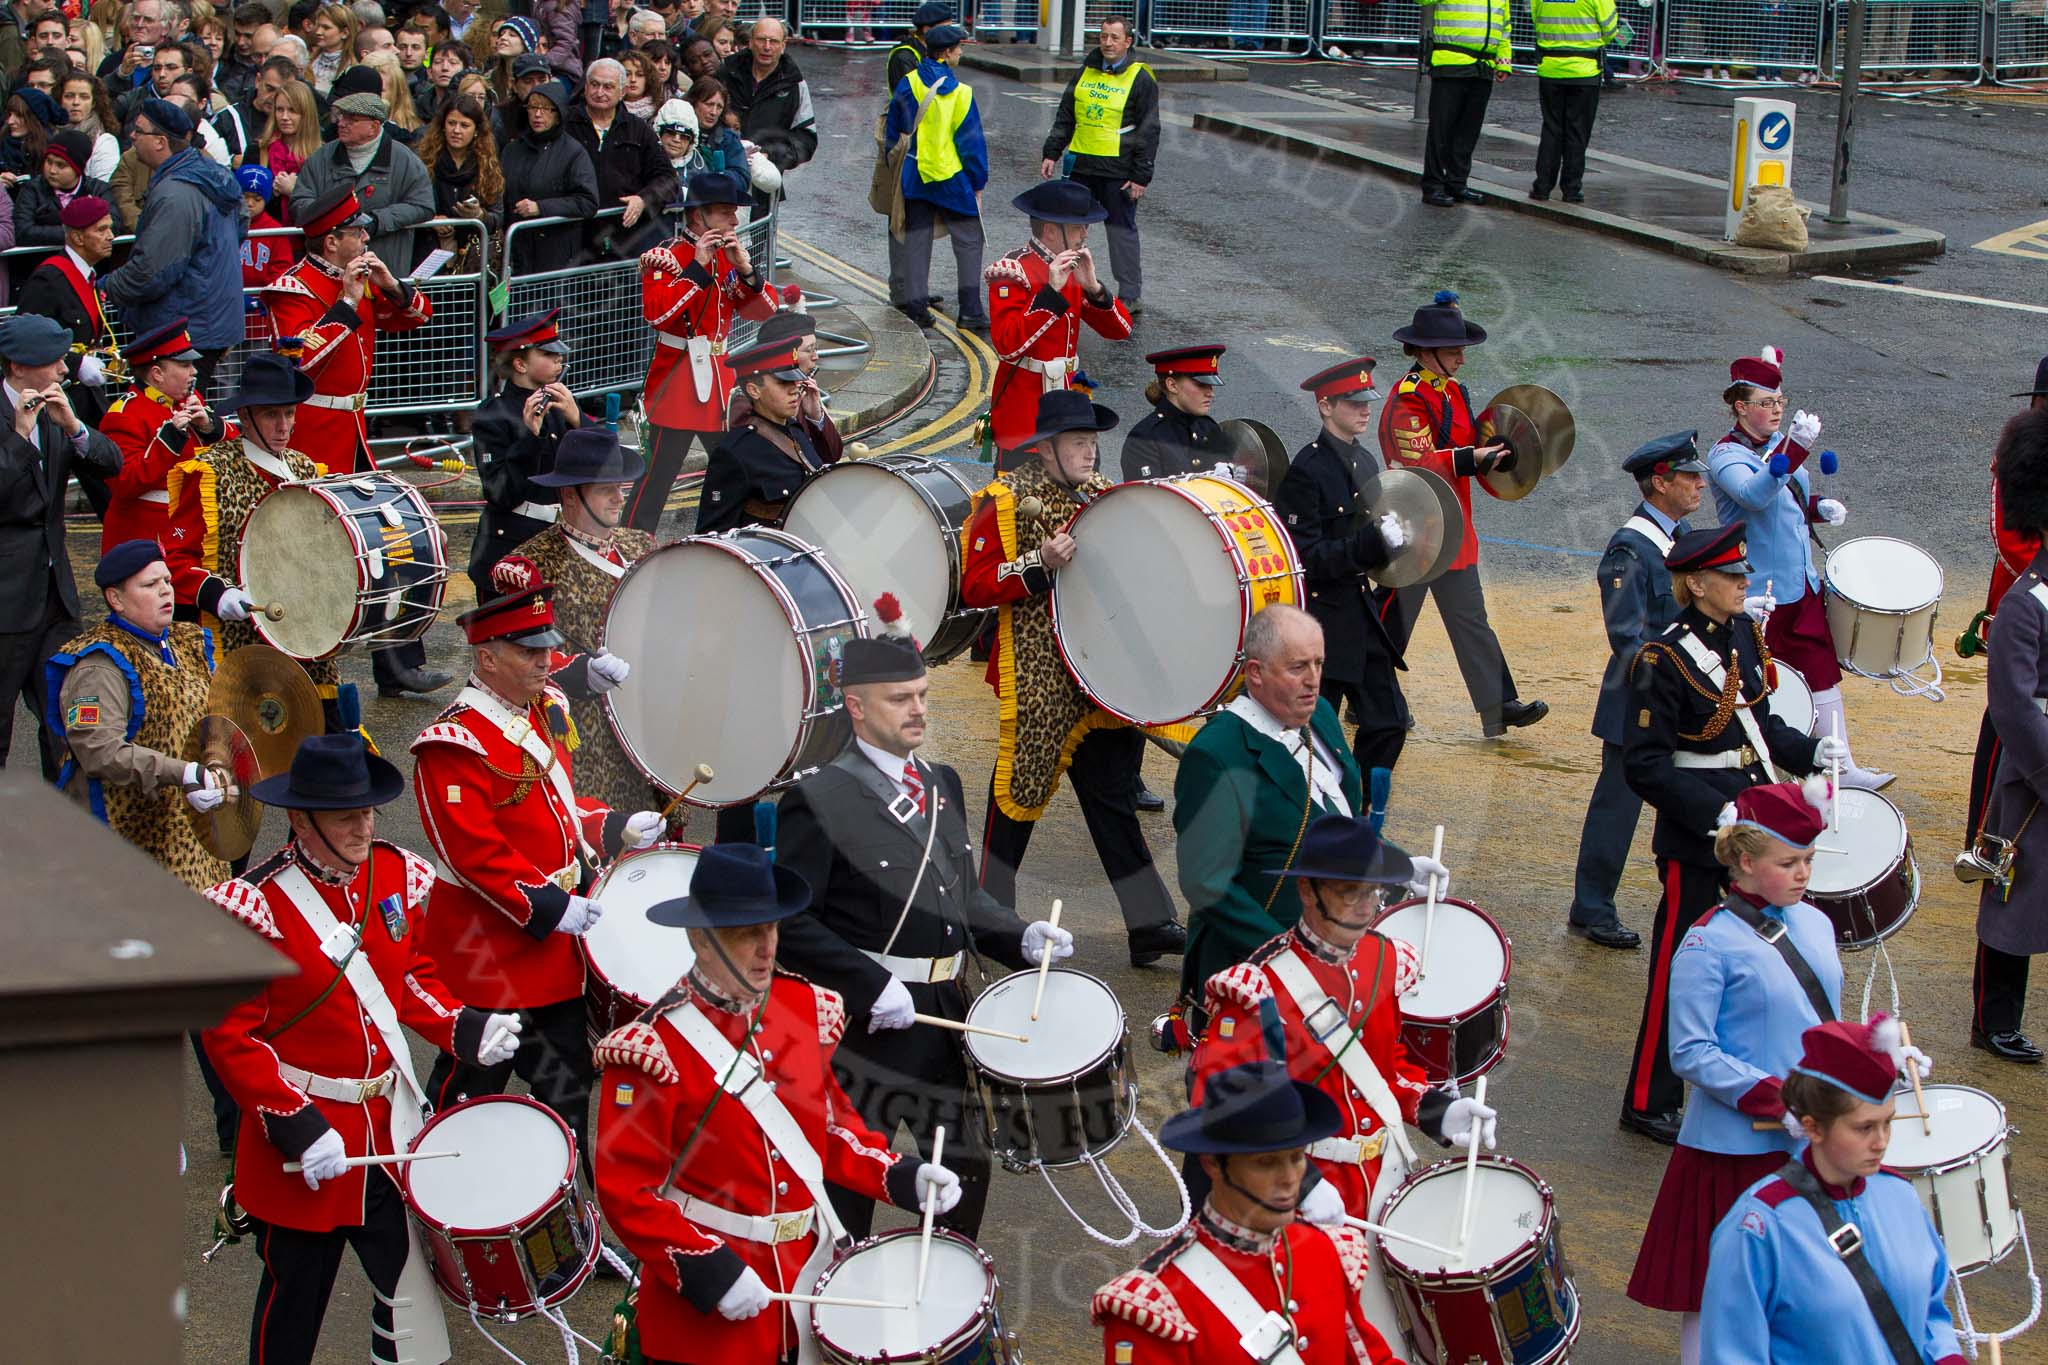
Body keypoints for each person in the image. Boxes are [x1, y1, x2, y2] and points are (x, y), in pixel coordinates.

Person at [199, 733, 518, 1365]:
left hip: (385, 1134)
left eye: (367, 811)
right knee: (294, 1308)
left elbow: (408, 980)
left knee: (410, 1308)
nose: (363, 826)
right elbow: (230, 1036)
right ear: (301, 819)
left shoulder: (395, 874)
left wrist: (462, 1026)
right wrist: (295, 1126)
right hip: (306, 1146)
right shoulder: (257, 905)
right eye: (346, 815)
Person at [592, 842, 963, 1365]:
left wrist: (902, 1175)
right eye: (748, 933)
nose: (768, 948)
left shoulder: (802, 1007)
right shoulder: (652, 1049)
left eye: (772, 928)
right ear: (699, 939)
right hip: (711, 1306)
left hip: (803, 1280)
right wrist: (708, 1268)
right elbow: (627, 1193)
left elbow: (829, 1132)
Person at [776, 613, 1072, 1240]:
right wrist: (867, 985)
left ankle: (948, 1307)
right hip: (865, 1027)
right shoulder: (818, 798)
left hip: (945, 1016)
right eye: (900, 699)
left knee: (963, 1173)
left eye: (922, 696)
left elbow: (961, 898)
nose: (917, 710)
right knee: (851, 1184)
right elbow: (791, 922)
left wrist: (1018, 935)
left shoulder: (941, 785)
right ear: (855, 707)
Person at [412, 569, 663, 1156]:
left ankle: (570, 1219)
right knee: (467, 1103)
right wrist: (552, 906)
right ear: (487, 656)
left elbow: (557, 804)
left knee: (568, 1099)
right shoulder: (453, 743)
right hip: (491, 956)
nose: (545, 662)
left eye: (546, 648)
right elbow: (473, 854)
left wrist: (611, 825)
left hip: (553, 954)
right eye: (528, 653)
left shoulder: (540, 707)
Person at [1627, 781, 1869, 1361]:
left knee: (1808, 1286)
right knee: (1716, 1290)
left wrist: (1874, 1057)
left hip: (1808, 1137)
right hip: (1733, 1146)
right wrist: (1778, 1099)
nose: (1804, 873)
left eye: (1808, 860)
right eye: (1789, 862)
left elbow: (1821, 1021)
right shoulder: (1707, 944)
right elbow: (1690, 1052)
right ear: (1743, 861)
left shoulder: (1815, 924)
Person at [1620, 522, 1841, 1144]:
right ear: (1697, 582)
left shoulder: (1743, 632)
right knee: (1676, 965)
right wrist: (1710, 815)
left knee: (1767, 956)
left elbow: (1759, 728)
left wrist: (1813, 751)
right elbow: (1645, 764)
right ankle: (1647, 1097)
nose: (1745, 582)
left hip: (1754, 825)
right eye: (1732, 575)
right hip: (1699, 834)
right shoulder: (1661, 658)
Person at [961, 388, 1186, 966]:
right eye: (1079, 443)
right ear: (1046, 449)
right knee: (1016, 799)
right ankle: (990, 920)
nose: (1090, 453)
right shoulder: (1004, 501)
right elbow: (975, 585)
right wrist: (1039, 565)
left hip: (1098, 673)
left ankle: (1150, 923)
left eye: (1091, 443)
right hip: (1038, 674)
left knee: (1112, 796)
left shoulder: (1103, 498)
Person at [1190, 811, 1472, 1214]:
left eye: (1372, 893)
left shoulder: (1386, 960)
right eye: (1348, 893)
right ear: (1308, 891)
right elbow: (1220, 1102)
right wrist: (1299, 1185)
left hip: (1381, 1178)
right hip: (1296, 1195)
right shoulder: (1260, 985)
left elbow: (1385, 1069)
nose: (1364, 908)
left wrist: (1438, 1112)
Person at [1089, 1058, 1402, 1364]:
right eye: (1266, 1163)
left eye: (1296, 1158)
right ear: (1213, 1164)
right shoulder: (1157, 1305)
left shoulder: (1328, 1251)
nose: (1290, 1179)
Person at [1701, 1017, 1965, 1363]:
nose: (1881, 1142)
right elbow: (1731, 1352)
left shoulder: (1899, 1195)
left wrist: (1947, 1356)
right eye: (1865, 1128)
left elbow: (1930, 1311)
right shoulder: (1760, 1225)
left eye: (1888, 1122)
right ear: (1813, 1127)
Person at [1708, 347, 1890, 790]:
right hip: (1757, 593)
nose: (1775, 411)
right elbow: (1753, 496)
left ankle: (1840, 768)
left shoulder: (1774, 446)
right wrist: (1795, 448)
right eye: (1766, 403)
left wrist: (1815, 509)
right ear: (1740, 407)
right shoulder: (1724, 456)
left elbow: (1784, 504)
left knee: (1822, 674)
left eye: (1780, 402)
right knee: (1759, 685)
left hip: (1800, 585)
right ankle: (1759, 767)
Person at [1379, 289, 1547, 738]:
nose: (1462, 359)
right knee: (1392, 624)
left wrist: (1506, 450)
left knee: (1470, 617)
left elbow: (1475, 441)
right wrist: (1473, 458)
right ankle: (1367, 696)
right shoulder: (1408, 397)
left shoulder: (1453, 389)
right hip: (1414, 530)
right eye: (1454, 351)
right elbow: (1418, 463)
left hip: (1452, 527)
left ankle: (1498, 705)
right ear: (1425, 352)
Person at [1174, 606, 1359, 999]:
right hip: (1255, 971)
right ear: (1255, 673)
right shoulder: (1217, 754)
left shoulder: (1320, 714)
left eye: (1319, 663)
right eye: (1297, 668)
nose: (1313, 681)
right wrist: (1289, 953)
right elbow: (1207, 884)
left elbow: (1336, 820)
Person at [1566, 431, 1706, 950]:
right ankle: (1592, 907)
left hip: (1675, 698)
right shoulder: (1631, 545)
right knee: (1617, 811)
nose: (1698, 486)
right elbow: (1628, 638)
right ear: (1660, 482)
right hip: (1641, 702)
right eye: (1689, 477)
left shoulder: (1679, 531)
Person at [162, 353, 348, 732]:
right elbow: (174, 560)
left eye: (290, 414)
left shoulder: (305, 468)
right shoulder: (211, 471)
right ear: (245, 417)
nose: (283, 426)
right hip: (238, 642)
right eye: (271, 415)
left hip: (304, 637)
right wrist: (217, 594)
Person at [1274, 358, 1410, 830]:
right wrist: (1368, 545)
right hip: (1324, 620)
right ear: (1325, 406)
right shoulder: (1306, 470)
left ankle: (1367, 813)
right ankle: (1323, 815)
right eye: (1353, 403)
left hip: (1360, 610)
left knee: (1389, 721)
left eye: (1366, 401)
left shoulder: (1365, 460)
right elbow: (1305, 557)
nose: (1363, 410)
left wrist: (1396, 543)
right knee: (1316, 732)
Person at [46, 538, 227, 890]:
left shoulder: (184, 642)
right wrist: (185, 772)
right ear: (116, 599)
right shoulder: (97, 666)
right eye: (149, 585)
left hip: (186, 829)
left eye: (167, 582)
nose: (165, 592)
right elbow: (100, 752)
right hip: (124, 834)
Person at [511, 426, 657, 813]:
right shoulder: (531, 565)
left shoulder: (641, 545)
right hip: (586, 734)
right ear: (569, 494)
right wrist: (578, 674)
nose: (619, 496)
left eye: (620, 485)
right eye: (604, 488)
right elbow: (517, 658)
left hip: (647, 719)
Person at [0, 313, 120, 779]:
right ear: (17, 366)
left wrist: (74, 428)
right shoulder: (16, 419)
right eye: (52, 362)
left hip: (55, 597)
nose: (63, 371)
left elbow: (111, 464)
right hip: (6, 603)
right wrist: (19, 438)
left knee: (68, 723)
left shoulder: (57, 408)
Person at [631, 168, 774, 535]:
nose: (735, 218)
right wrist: (697, 266)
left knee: (737, 467)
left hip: (720, 381)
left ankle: (741, 534)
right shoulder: (666, 257)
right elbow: (659, 315)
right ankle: (629, 545)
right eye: (726, 211)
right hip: (678, 380)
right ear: (699, 216)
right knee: (657, 478)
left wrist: (746, 271)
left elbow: (763, 313)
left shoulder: (730, 257)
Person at [1971, 406, 2048, 1064]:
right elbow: (2017, 707)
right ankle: (1995, 1018)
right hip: (2034, 774)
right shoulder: (2026, 600)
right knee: (2013, 892)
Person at [260, 186, 430, 477]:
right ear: (331, 242)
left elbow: (420, 316)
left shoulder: (359, 276)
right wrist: (348, 303)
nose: (366, 237)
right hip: (314, 430)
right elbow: (300, 360)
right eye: (358, 231)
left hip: (355, 425)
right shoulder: (292, 289)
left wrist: (391, 286)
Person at [98, 98, 245, 398]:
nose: (132, 137)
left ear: (161, 142)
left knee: (178, 418)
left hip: (185, 327)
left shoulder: (176, 193)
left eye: (139, 131)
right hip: (206, 321)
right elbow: (241, 226)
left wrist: (106, 287)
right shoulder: (211, 173)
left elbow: (153, 271)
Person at [1964, 359, 2048, 873]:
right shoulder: (2019, 456)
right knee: (2006, 721)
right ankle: (1985, 836)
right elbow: (2009, 539)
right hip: (2024, 603)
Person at [983, 179, 1133, 459]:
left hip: (1070, 403)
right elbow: (1007, 345)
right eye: (1078, 226)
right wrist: (1051, 293)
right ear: (1051, 231)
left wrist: (1094, 289)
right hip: (1026, 413)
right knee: (1026, 499)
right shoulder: (1013, 271)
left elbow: (1120, 331)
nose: (1085, 233)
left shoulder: (1072, 267)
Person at [1036, 17, 1156, 314]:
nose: (1108, 43)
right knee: (1069, 230)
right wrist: (1052, 152)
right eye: (1103, 37)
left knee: (1120, 230)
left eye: (1115, 38)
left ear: (1128, 42)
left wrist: (1141, 176)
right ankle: (1067, 283)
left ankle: (1130, 293)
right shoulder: (1085, 72)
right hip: (1082, 165)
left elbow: (1149, 129)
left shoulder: (1141, 78)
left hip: (1118, 170)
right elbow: (1066, 115)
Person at [469, 308, 589, 594]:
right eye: (547, 354)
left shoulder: (560, 404)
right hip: (512, 550)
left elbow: (603, 465)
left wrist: (578, 421)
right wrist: (528, 437)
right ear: (521, 365)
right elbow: (500, 493)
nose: (558, 358)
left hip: (562, 545)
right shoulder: (493, 415)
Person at [885, 22, 988, 332]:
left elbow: (894, 132)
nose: (960, 53)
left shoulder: (909, 83)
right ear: (946, 53)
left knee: (917, 243)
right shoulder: (962, 93)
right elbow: (971, 145)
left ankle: (917, 308)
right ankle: (970, 310)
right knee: (969, 243)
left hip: (916, 176)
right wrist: (978, 183)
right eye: (958, 49)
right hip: (953, 179)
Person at [96, 321, 225, 552]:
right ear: (157, 374)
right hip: (150, 537)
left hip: (192, 525)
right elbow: (123, 482)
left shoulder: (188, 399)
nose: (194, 371)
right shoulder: (124, 415)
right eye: (185, 365)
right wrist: (168, 443)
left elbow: (230, 447)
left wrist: (210, 426)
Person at [289, 85, 436, 273]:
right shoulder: (321, 158)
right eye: (341, 116)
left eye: (352, 119)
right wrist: (334, 219)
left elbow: (423, 206)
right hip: (329, 271)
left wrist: (377, 221)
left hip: (384, 269)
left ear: (374, 126)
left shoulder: (405, 161)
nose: (341, 123)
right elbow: (300, 201)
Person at [16, 193, 116, 432]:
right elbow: (26, 337)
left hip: (83, 397)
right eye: (101, 230)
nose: (111, 236)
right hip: (56, 399)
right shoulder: (49, 279)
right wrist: (77, 363)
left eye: (109, 229)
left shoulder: (86, 276)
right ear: (78, 237)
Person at [567, 56, 675, 260]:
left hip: (624, 241)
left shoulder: (638, 129)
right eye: (594, 85)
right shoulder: (566, 125)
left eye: (608, 87)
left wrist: (643, 199)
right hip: (574, 238)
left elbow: (667, 179)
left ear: (622, 92)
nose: (599, 93)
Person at [500, 77, 599, 273]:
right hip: (517, 250)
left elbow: (588, 202)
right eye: (533, 107)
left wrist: (540, 208)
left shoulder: (573, 152)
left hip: (555, 254)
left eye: (546, 109)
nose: (538, 114)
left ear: (559, 114)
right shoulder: (512, 149)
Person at [1418, 0, 1509, 206]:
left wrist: (1504, 60)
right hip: (1451, 62)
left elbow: (1504, 26)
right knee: (1441, 130)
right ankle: (1433, 186)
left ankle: (1457, 183)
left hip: (1483, 66)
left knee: (1468, 131)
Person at [723, 307, 843, 463]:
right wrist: (788, 420)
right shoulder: (746, 401)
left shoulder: (804, 390)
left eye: (816, 348)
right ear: (787, 353)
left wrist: (816, 416)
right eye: (808, 350)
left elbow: (831, 455)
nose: (816, 356)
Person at [1530, 0, 1622, 201]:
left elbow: (1536, 21)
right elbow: (1610, 29)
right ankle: (1571, 189)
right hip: (1584, 70)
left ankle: (1542, 187)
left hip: (1550, 68)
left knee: (1551, 129)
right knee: (1577, 131)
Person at [714, 15, 814, 197]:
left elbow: (806, 140)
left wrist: (770, 156)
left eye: (774, 41)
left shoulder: (795, 84)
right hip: (722, 174)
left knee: (758, 226)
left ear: (783, 46)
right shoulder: (726, 72)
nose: (767, 47)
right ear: (751, 42)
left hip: (763, 185)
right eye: (761, 40)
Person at [1120, 343, 1224, 481]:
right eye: (1201, 384)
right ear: (1172, 385)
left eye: (1211, 385)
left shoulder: (1208, 428)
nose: (1211, 393)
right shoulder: (1145, 439)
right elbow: (1146, 498)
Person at [237, 165, 298, 287]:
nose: (250, 203)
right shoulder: (225, 223)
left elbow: (282, 268)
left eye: (257, 199)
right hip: (229, 296)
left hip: (262, 298)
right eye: (245, 197)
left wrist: (267, 293)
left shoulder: (274, 230)